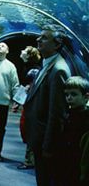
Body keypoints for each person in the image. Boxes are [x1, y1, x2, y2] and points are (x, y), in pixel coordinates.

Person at [24, 25, 71, 186]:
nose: (38, 39)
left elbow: (57, 113)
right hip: (39, 137)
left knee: (47, 179)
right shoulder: (48, 64)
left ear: (57, 44)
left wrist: (48, 146)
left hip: (45, 141)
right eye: (39, 36)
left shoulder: (58, 70)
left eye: (44, 37)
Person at [57, 76, 89, 186]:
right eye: (67, 95)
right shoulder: (68, 116)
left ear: (86, 97)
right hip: (66, 163)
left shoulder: (86, 120)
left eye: (74, 94)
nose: (69, 98)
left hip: (78, 166)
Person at [17, 46, 41, 170]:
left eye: (24, 51)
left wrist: (19, 101)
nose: (21, 51)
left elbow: (30, 87)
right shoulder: (28, 68)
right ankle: (29, 158)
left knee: (28, 128)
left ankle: (30, 160)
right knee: (26, 128)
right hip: (28, 104)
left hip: (31, 105)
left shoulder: (33, 70)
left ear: (29, 55)